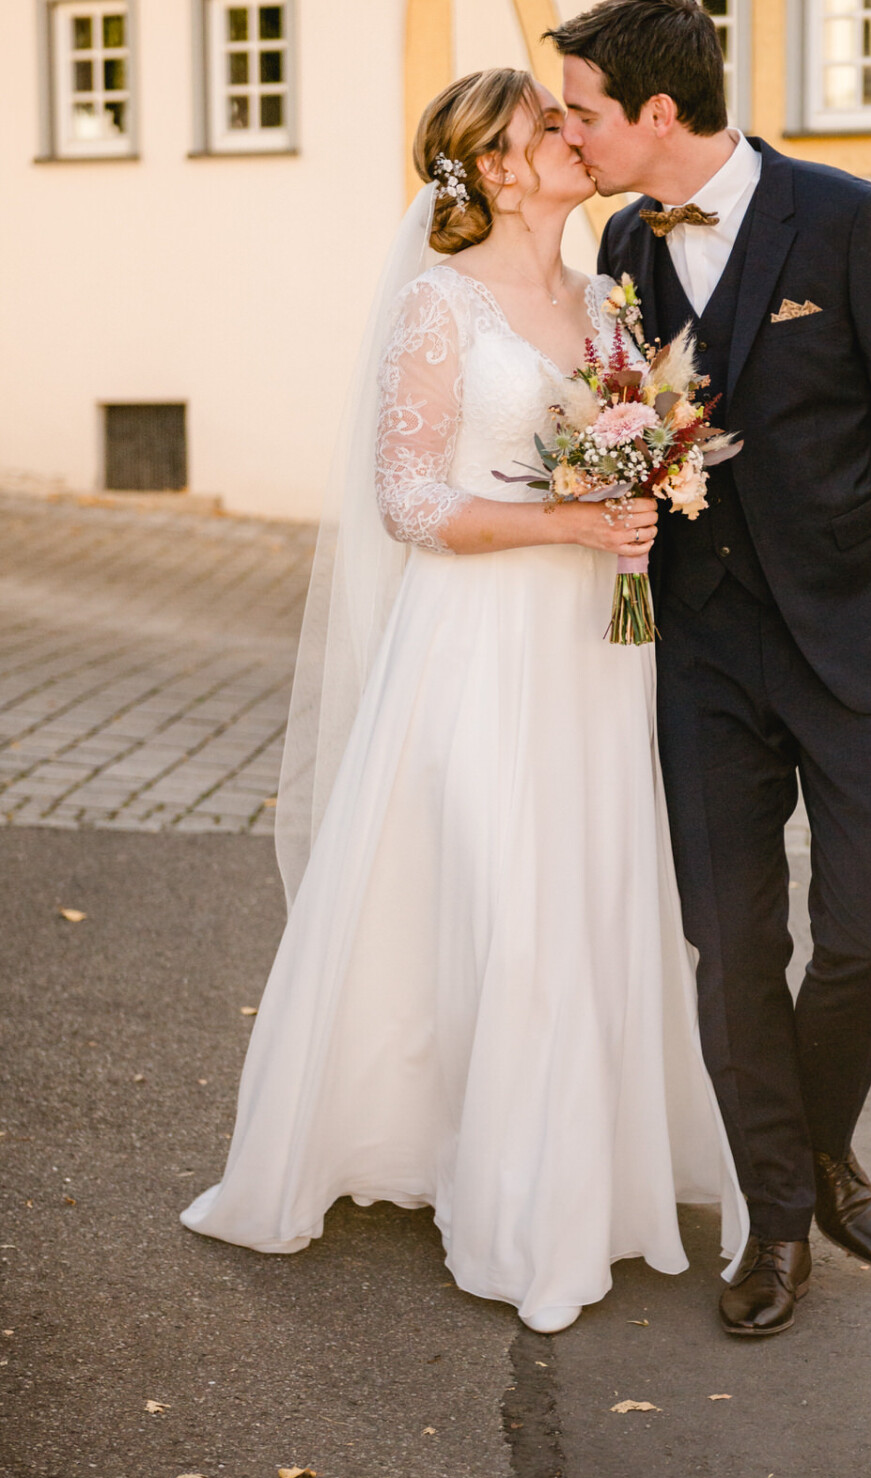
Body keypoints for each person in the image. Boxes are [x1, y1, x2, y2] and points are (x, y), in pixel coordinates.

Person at [181, 67, 747, 1335]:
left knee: (587, 877)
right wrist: (570, 515)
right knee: (503, 887)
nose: (571, 135)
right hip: (484, 643)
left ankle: (585, 1178)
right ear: (493, 167)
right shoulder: (441, 307)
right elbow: (408, 501)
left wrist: (642, 502)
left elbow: (639, 440)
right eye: (548, 125)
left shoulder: (605, 296)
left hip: (597, 644)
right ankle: (510, 1197)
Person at [549, 0, 871, 1338]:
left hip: (860, 635)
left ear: (658, 112)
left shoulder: (850, 222)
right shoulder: (622, 241)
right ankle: (778, 1221)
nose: (570, 136)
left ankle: (813, 1136)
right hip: (698, 651)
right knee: (730, 946)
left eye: (583, 113)